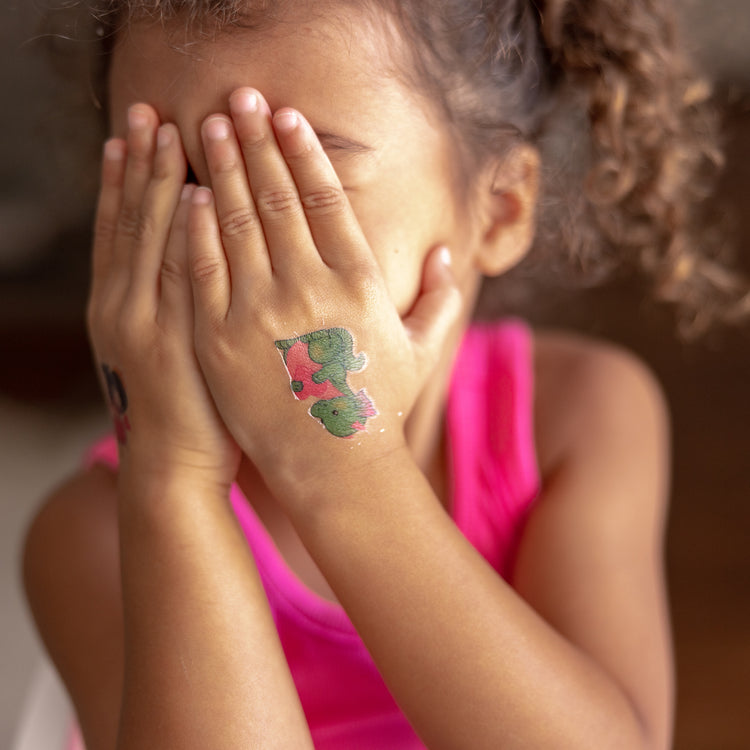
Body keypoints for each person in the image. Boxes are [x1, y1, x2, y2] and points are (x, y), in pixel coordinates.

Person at [22, 1, 739, 748]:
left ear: (498, 210)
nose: (218, 237)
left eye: (295, 182)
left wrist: (342, 468)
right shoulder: (94, 532)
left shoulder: (577, 417)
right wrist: (173, 480)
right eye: (169, 183)